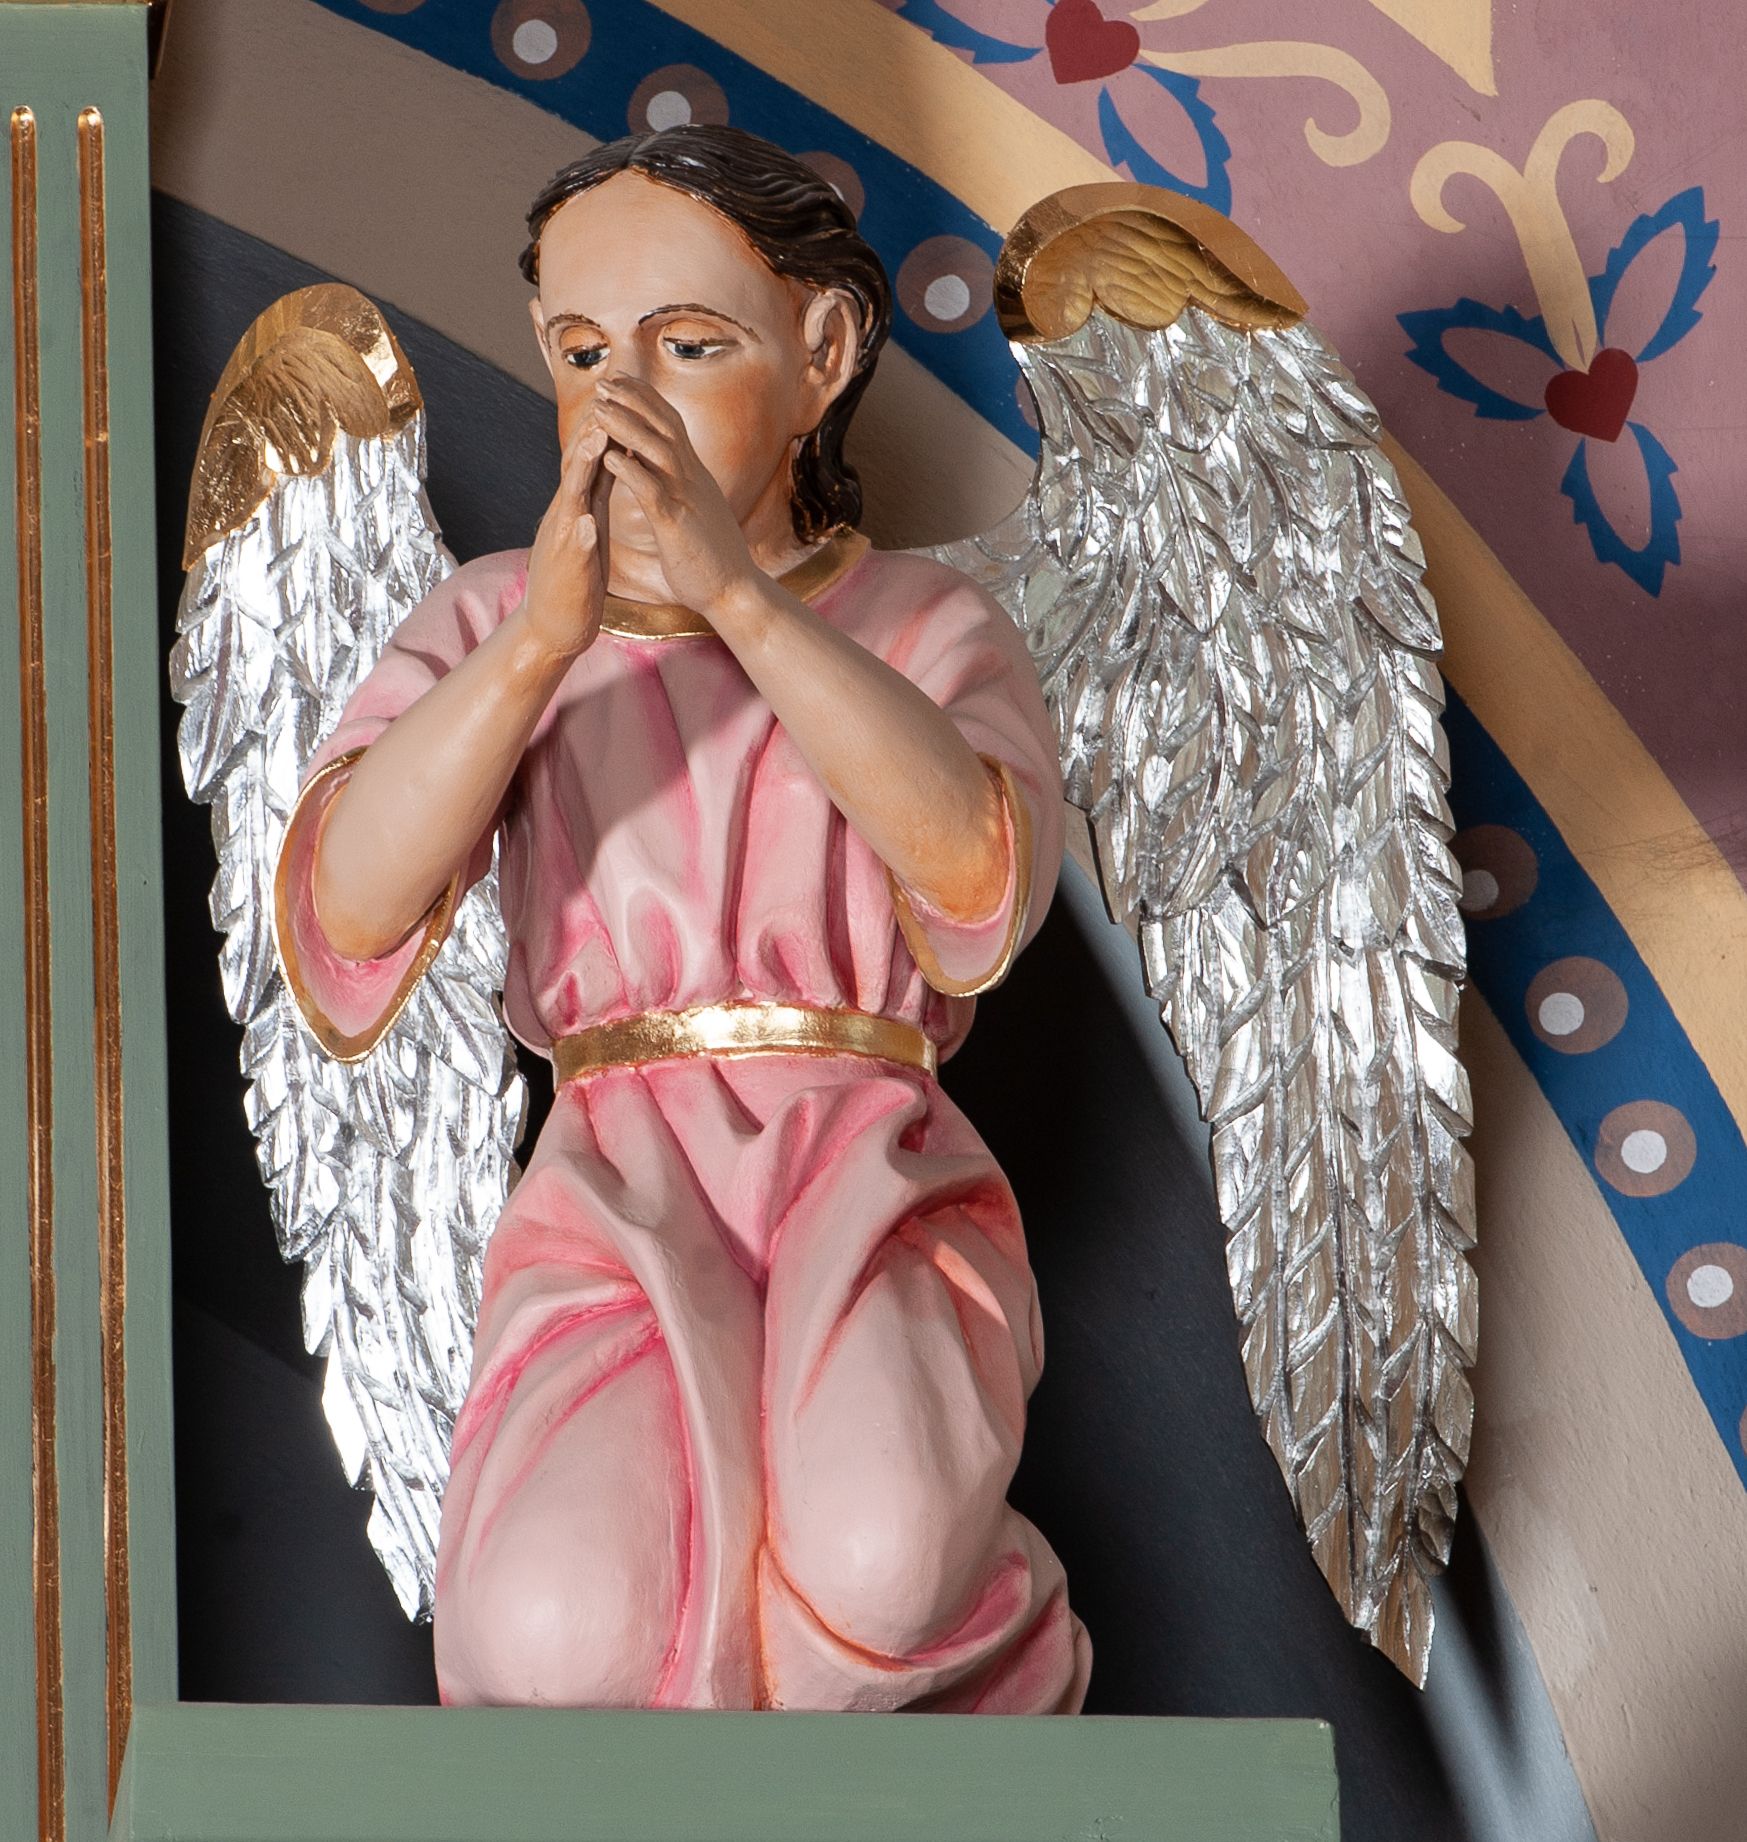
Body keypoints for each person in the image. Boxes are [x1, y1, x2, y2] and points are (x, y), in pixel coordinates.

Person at [275, 124, 1088, 1713]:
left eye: (690, 345)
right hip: (617, 1178)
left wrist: (739, 600)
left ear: (822, 355)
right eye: (584, 354)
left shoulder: (920, 621)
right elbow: (344, 910)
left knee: (883, 1555)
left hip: (862, 1162)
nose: (623, 401)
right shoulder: (498, 619)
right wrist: (538, 645)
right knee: (557, 1628)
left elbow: (980, 881)